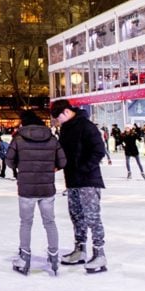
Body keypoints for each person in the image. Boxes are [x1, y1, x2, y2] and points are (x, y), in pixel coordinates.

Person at [50, 100, 108, 274]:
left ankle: (99, 253)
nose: (57, 122)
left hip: (88, 180)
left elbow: (99, 150)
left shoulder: (86, 126)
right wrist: (58, 165)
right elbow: (65, 154)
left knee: (92, 217)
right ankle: (80, 249)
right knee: (77, 216)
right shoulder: (66, 129)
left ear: (67, 112)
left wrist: (82, 169)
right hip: (73, 180)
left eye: (58, 118)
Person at [6, 110, 67, 275]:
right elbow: (62, 161)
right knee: (50, 222)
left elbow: (9, 161)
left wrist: (22, 166)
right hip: (47, 189)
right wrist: (51, 169)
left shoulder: (18, 138)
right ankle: (54, 256)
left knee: (26, 223)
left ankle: (24, 257)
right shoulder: (52, 138)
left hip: (26, 188)